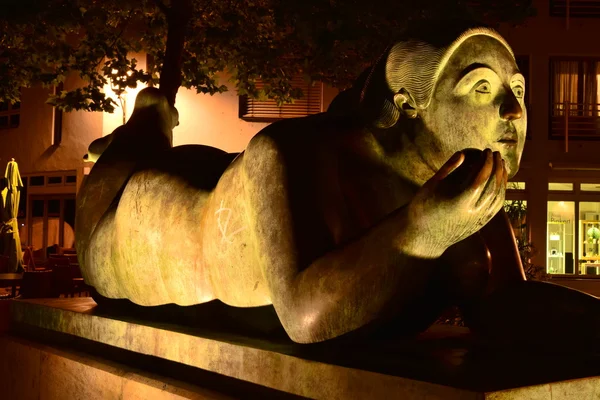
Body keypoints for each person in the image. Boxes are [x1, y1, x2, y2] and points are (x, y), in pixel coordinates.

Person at [76, 21, 600, 346]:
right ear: (406, 103)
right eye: (481, 88)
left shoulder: (466, 191)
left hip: (220, 191)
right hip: (152, 224)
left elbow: (506, 304)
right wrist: (421, 232)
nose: (514, 110)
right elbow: (304, 317)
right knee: (96, 238)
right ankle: (147, 116)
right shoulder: (293, 153)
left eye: (516, 89)